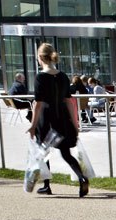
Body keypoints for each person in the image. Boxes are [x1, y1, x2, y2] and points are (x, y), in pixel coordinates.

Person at [27, 42, 89, 197]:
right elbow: (69, 102)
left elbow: (38, 104)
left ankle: (47, 185)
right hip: (62, 117)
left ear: (40, 57)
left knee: (44, 152)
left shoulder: (40, 77)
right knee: (66, 153)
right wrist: (75, 124)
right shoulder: (62, 76)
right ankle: (82, 178)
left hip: (46, 118)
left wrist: (33, 126)